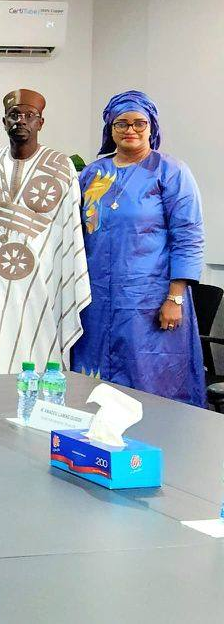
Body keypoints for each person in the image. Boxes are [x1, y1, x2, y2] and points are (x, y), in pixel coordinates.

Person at [71, 91, 206, 406]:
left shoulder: (170, 171)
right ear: (110, 128)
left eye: (138, 123)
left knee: (149, 380)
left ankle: (158, 434)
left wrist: (175, 297)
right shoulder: (92, 174)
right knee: (94, 383)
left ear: (151, 126)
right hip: (96, 301)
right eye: (121, 123)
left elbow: (188, 235)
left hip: (150, 301)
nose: (130, 130)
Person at [0, 90, 90, 375]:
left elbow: (69, 225)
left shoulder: (61, 165)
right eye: (14, 115)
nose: (21, 121)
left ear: (40, 122)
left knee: (38, 346)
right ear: (4, 121)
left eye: (29, 116)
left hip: (43, 276)